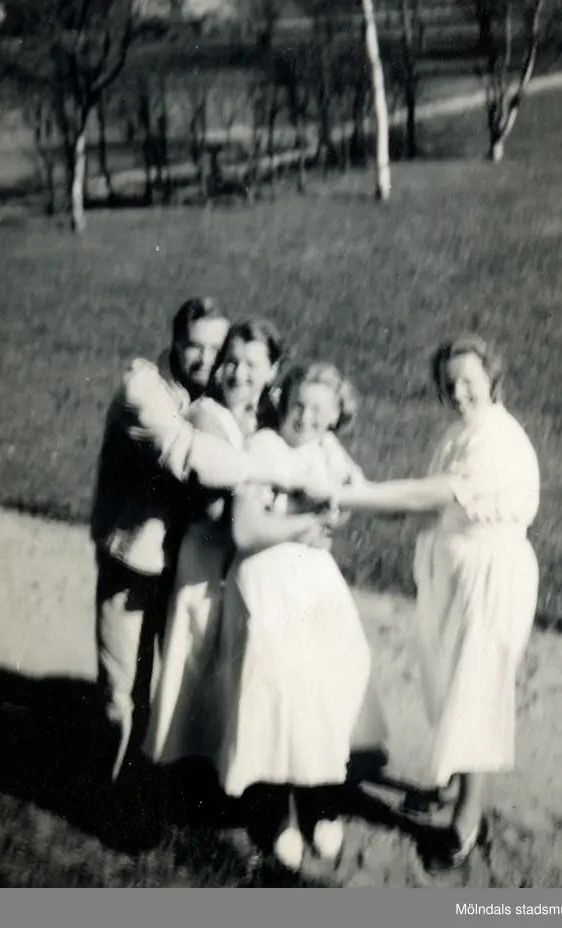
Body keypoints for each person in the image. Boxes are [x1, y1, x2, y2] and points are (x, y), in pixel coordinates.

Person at [91, 300, 336, 784]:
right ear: (173, 342)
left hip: (185, 562)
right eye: (194, 346)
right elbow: (191, 457)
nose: (206, 359)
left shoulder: (224, 398)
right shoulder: (144, 390)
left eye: (215, 349)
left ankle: (158, 783)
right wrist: (280, 478)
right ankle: (110, 795)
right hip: (135, 560)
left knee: (183, 679)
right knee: (124, 692)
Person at [331, 335, 540, 872]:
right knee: (445, 681)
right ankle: (448, 783)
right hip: (454, 572)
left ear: (492, 377)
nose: (458, 391)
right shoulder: (457, 434)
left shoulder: (497, 438)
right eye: (450, 383)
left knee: (475, 688)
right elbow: (421, 508)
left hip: (490, 574)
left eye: (469, 380)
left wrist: (353, 495)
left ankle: (467, 817)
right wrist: (359, 487)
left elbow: (431, 496)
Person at [215, 362, 389, 872]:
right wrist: (308, 521)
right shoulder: (264, 447)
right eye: (299, 404)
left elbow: (356, 493)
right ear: (283, 401)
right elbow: (245, 532)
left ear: (335, 416)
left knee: (331, 672)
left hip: (310, 574)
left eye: (319, 410)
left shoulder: (325, 447)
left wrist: (338, 507)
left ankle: (320, 801)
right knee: (277, 684)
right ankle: (277, 812)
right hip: (265, 573)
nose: (307, 417)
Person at [146, 318, 301, 767]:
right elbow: (221, 514)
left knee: (234, 669)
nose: (238, 373)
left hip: (242, 563)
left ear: (273, 370)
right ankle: (174, 770)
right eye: (231, 361)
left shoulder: (264, 419)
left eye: (252, 364)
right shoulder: (206, 417)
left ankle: (221, 766)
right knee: (195, 662)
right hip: (207, 561)